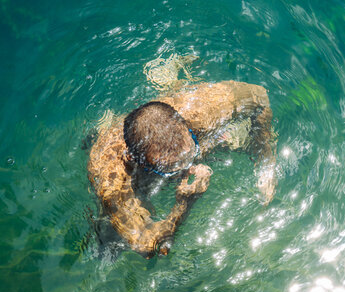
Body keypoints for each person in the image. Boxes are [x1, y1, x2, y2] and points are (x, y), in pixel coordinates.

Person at [87, 81, 276, 259]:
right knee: (109, 241)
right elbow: (147, 247)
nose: (189, 168)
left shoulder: (199, 110)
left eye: (190, 155)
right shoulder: (111, 177)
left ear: (185, 124)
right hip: (130, 168)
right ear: (138, 160)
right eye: (170, 170)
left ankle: (170, 75)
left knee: (231, 140)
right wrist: (184, 204)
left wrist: (265, 156)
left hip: (162, 121)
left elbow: (259, 96)